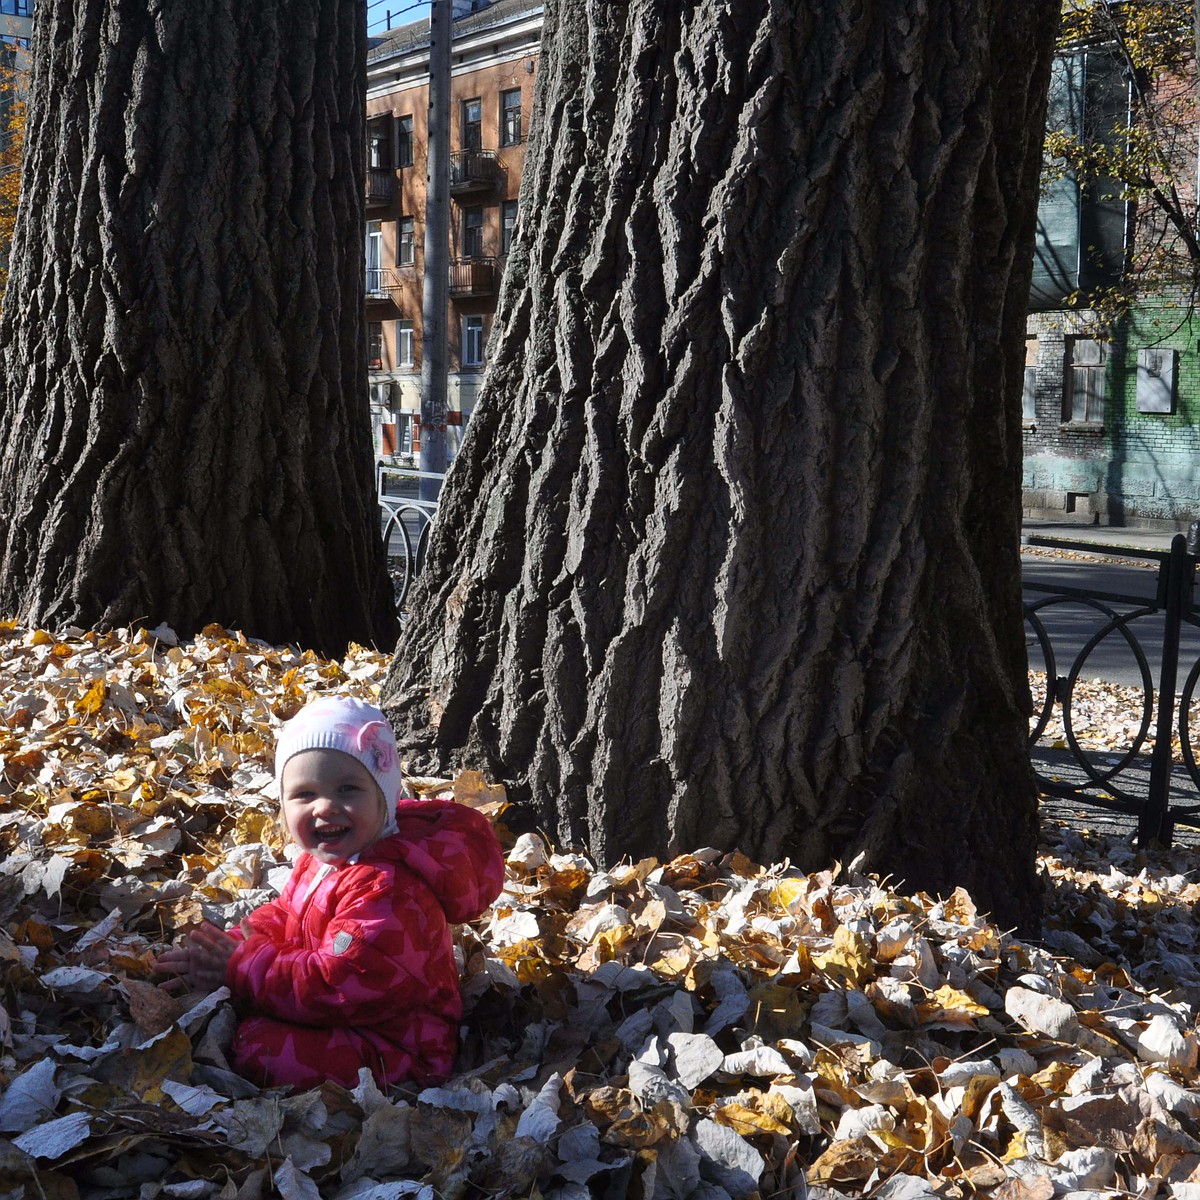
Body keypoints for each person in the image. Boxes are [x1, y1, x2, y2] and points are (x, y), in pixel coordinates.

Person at [155, 695, 505, 1091]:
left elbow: (338, 985)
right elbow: (287, 914)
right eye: (304, 794)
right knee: (243, 1012)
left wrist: (242, 967)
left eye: (347, 789)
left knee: (262, 1051)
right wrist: (233, 946)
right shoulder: (324, 859)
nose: (324, 808)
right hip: (337, 1009)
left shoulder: (389, 888)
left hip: (398, 1042)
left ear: (384, 798)